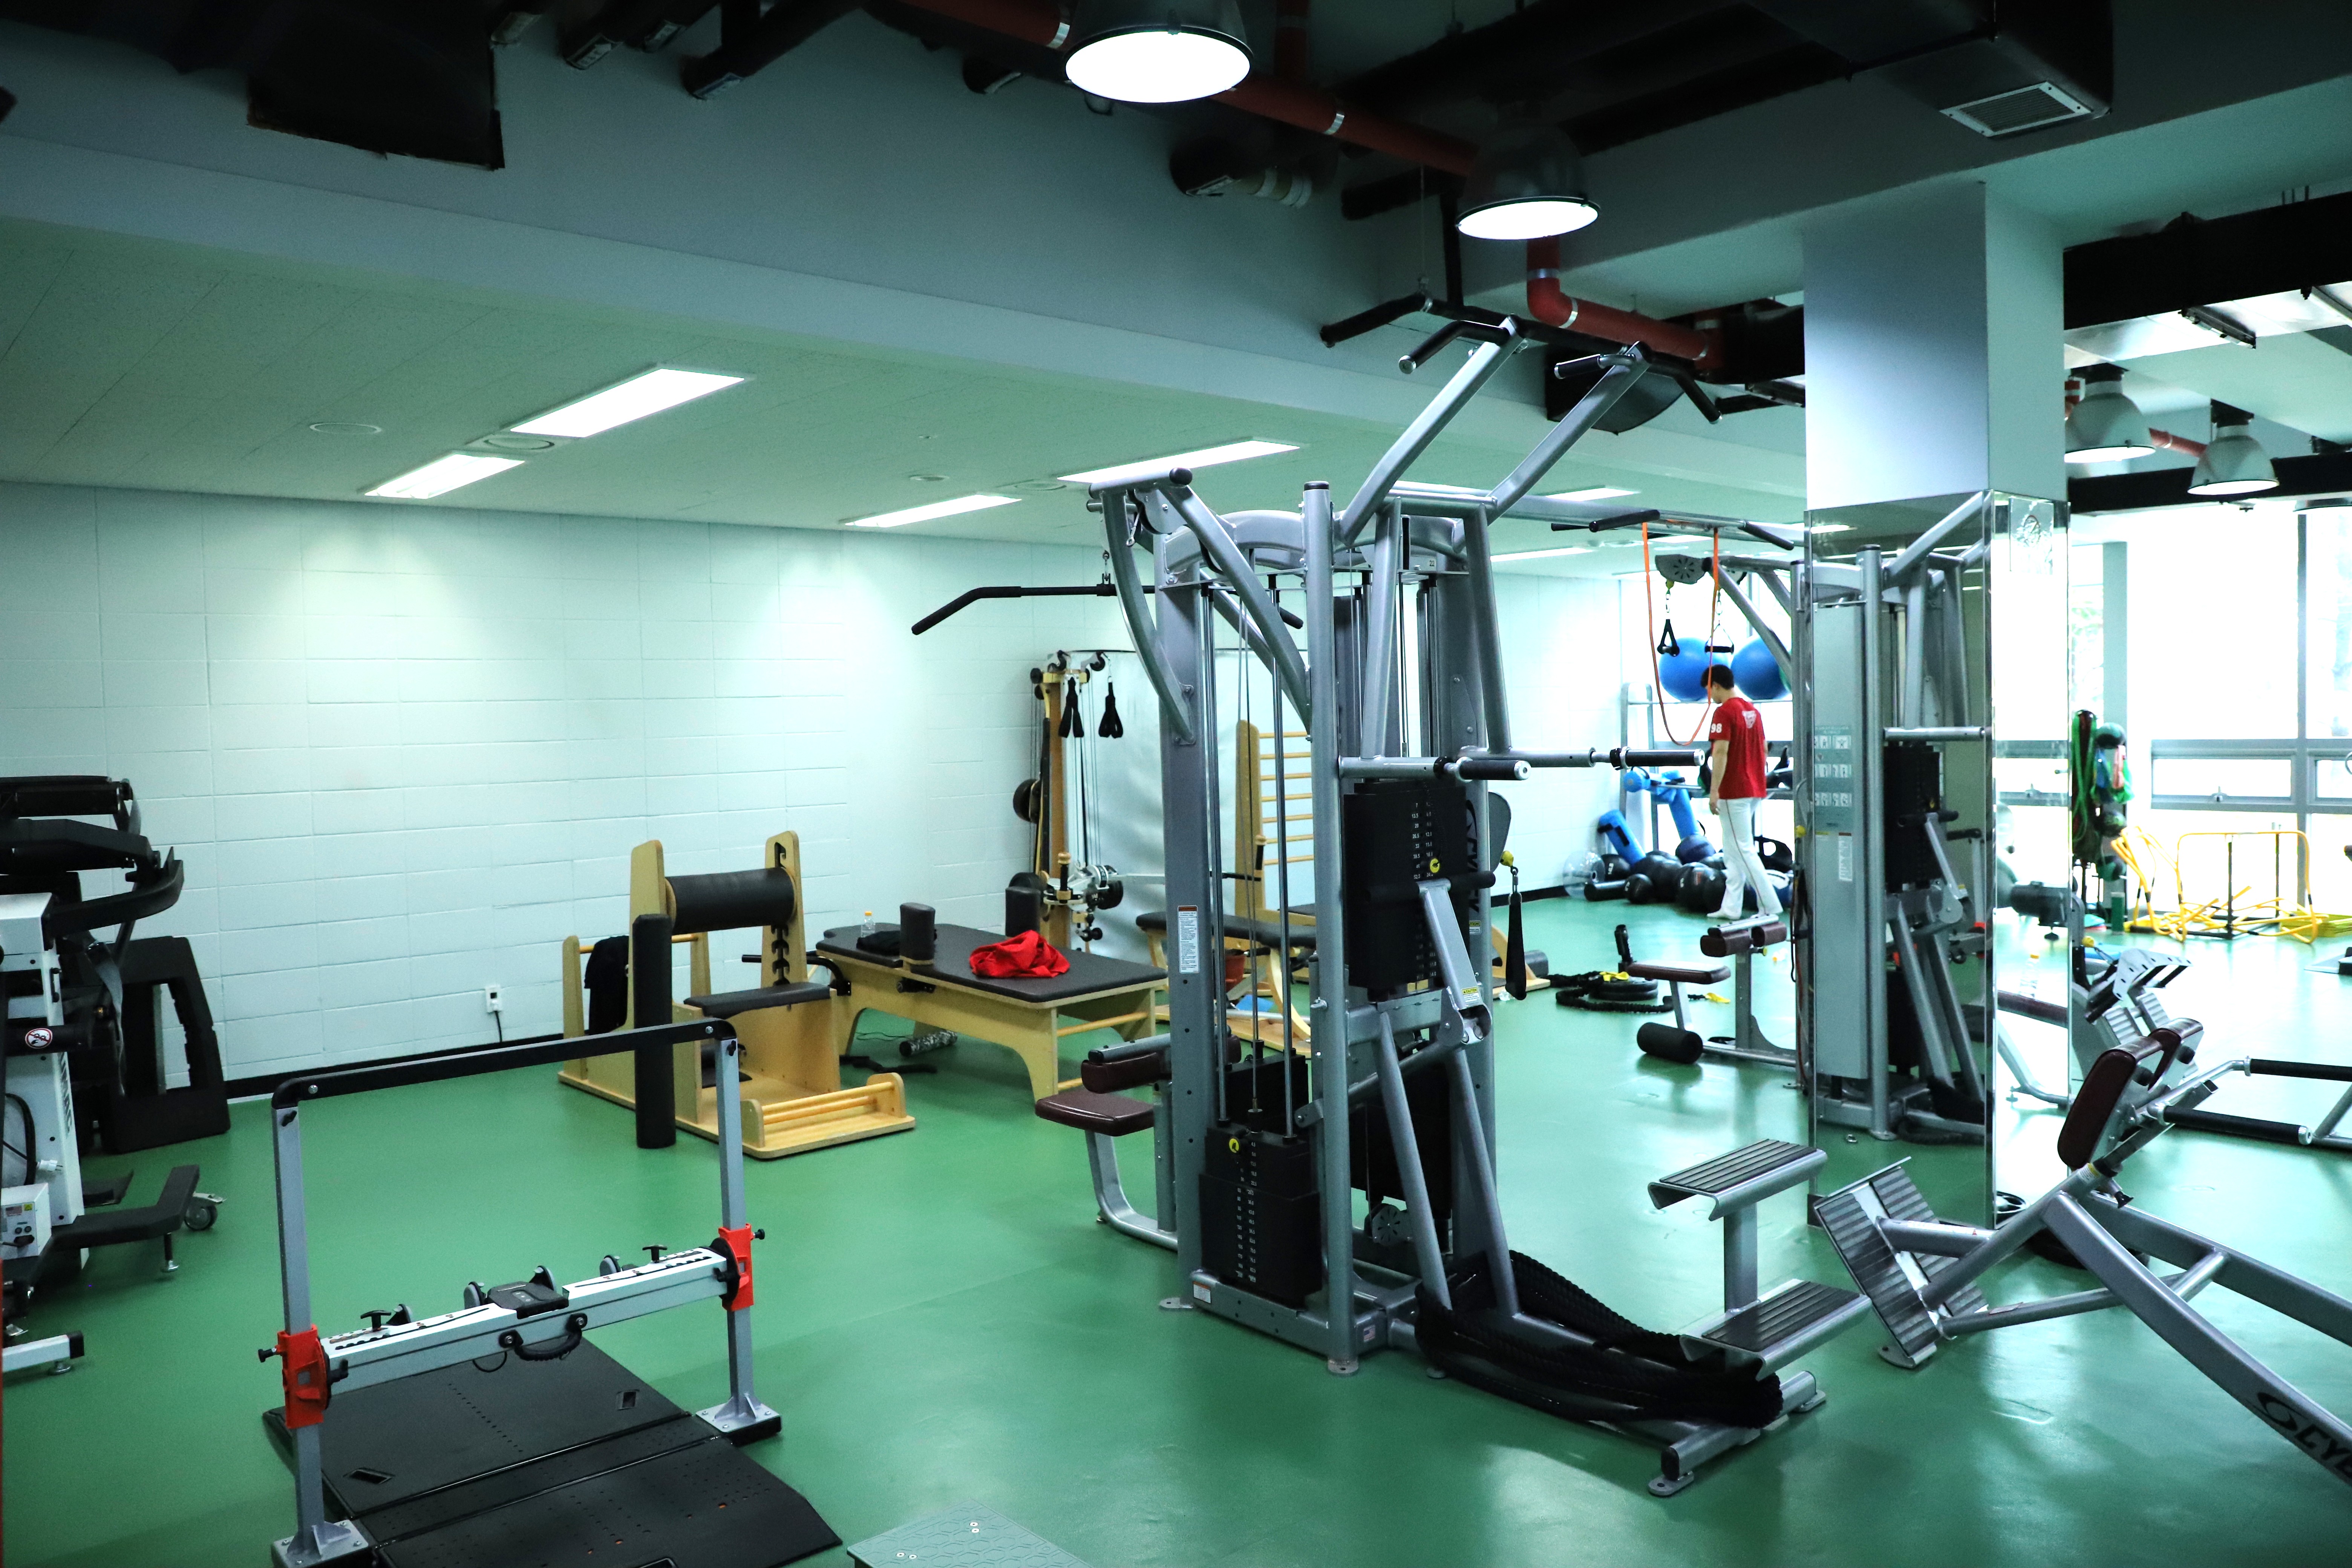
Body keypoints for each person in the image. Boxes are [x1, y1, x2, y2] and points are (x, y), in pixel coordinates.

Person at [1704, 663, 1780, 921]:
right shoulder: (1752, 711)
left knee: (1743, 849)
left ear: (1716, 686)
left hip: (1734, 791)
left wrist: (1714, 791)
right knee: (1733, 850)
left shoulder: (1724, 712)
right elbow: (1764, 749)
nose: (1710, 697)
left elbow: (1720, 752)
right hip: (1754, 788)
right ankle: (1732, 907)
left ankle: (1769, 906)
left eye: (1709, 690)